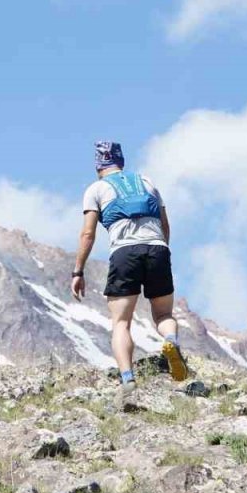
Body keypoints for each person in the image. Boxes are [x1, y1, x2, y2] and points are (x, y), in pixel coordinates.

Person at [72, 140, 189, 406]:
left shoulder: (96, 189)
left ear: (98, 165)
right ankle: (171, 340)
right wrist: (161, 252)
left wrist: (78, 270)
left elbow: (88, 233)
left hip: (125, 253)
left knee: (121, 322)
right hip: (157, 248)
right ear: (121, 161)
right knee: (164, 314)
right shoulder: (147, 181)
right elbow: (165, 224)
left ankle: (128, 380)